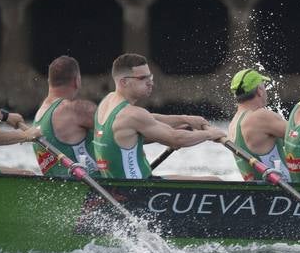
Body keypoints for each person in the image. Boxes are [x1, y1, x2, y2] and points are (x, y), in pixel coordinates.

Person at [92, 53, 224, 180]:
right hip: (138, 189)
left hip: (117, 186)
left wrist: (185, 119)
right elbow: (175, 139)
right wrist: (210, 134)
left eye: (150, 77)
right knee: (216, 181)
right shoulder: (132, 114)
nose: (150, 83)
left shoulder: (108, 101)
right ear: (124, 82)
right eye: (142, 78)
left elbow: (150, 118)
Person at [31, 55, 98, 177]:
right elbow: (117, 130)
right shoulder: (73, 110)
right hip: (95, 189)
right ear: (77, 81)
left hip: (62, 189)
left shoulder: (40, 114)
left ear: (49, 82)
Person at [226, 68, 290, 182]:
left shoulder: (233, 123)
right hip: (285, 189)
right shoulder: (260, 117)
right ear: (260, 90)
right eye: (264, 86)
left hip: (258, 191)